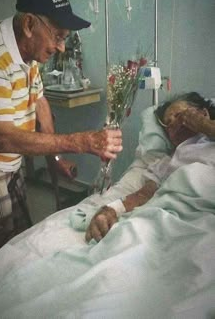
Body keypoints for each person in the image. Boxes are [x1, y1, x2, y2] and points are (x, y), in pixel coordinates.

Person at [0, 0, 122, 263]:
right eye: (57, 36)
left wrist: (54, 160)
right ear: (30, 25)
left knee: (17, 242)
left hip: (11, 164)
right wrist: (82, 142)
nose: (60, 47)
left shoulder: (28, 52)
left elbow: (40, 103)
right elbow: (4, 137)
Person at [86, 92, 215, 242]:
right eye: (168, 124)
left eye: (180, 115)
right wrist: (111, 210)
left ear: (204, 113)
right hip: (175, 219)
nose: (173, 123)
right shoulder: (164, 163)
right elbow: (142, 196)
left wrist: (206, 126)